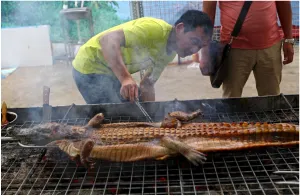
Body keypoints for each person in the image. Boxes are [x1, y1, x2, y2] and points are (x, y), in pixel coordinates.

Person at [72, 10, 213, 104]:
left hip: (110, 72)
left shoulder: (169, 52)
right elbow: (107, 40)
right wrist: (126, 78)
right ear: (180, 28)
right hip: (90, 65)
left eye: (200, 46)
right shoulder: (154, 29)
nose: (195, 49)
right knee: (113, 119)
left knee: (133, 112)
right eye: (194, 41)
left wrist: (152, 116)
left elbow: (147, 84)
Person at [200, 1, 295, 98]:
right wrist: (204, 51)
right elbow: (207, 15)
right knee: (231, 99)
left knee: (271, 99)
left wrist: (289, 39)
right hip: (233, 49)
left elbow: (283, 3)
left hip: (270, 47)